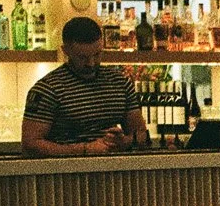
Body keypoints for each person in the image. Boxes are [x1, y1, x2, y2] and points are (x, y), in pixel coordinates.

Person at [21, 17, 147, 157]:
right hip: (66, 174)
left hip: (114, 172)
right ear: (65, 50)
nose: (91, 63)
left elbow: (141, 135)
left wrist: (124, 142)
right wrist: (84, 149)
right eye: (82, 57)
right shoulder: (48, 89)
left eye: (97, 55)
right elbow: (30, 145)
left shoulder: (120, 83)